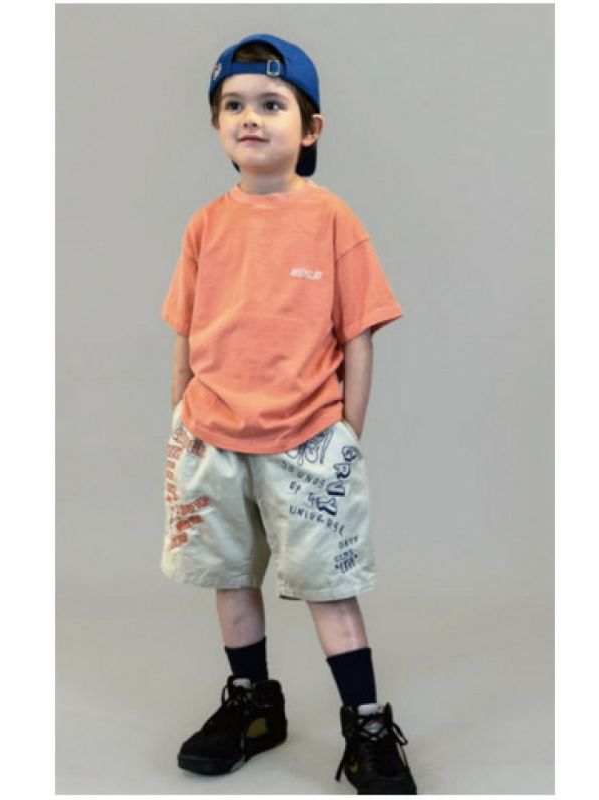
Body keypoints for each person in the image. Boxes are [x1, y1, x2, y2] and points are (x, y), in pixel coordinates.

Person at [160, 33, 417, 794]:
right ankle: (253, 703)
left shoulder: (332, 219)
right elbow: (186, 331)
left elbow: (358, 334)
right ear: (217, 125)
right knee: (231, 575)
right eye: (234, 105)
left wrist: (347, 432)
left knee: (329, 585)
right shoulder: (205, 225)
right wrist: (181, 420)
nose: (251, 118)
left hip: (307, 440)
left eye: (272, 104)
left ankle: (366, 724)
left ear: (310, 129)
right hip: (211, 435)